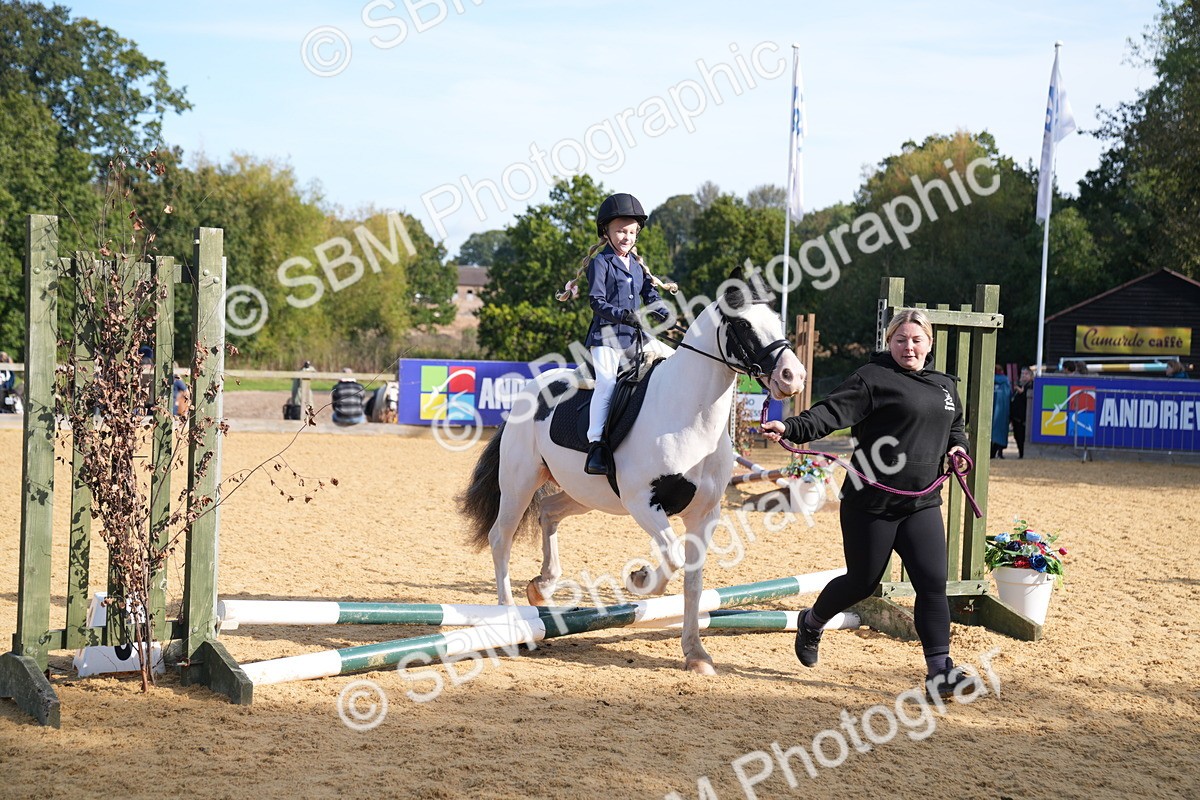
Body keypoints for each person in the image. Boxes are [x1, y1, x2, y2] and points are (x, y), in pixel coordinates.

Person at [761, 309, 980, 699]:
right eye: (900, 339)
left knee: (932, 585)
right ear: (889, 342)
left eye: (916, 340)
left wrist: (958, 447)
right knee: (863, 581)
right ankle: (812, 622)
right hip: (870, 502)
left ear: (929, 344)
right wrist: (790, 427)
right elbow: (831, 413)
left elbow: (955, 427)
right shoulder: (872, 378)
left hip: (922, 502)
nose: (908, 347)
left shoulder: (944, 385)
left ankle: (938, 672)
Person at [556, 192, 674, 476]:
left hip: (635, 339)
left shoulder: (637, 265)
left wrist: (661, 310)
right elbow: (596, 301)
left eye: (632, 231)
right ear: (606, 232)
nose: (627, 237)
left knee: (671, 363)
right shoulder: (601, 263)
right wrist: (624, 315)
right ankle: (596, 444)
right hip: (606, 338)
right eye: (621, 231)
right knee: (607, 383)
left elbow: (650, 294)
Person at [1009, 367, 1033, 458]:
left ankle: (1023, 454)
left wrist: (1023, 393)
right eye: (1022, 373)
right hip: (1016, 417)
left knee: (1022, 436)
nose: (1023, 375)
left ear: (1031, 376)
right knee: (1017, 436)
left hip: (1024, 417)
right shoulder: (1019, 385)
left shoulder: (1031, 385)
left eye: (1026, 374)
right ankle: (1020, 453)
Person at [991, 365, 1011, 459]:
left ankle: (991, 453)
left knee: (992, 432)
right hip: (1003, 411)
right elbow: (1009, 394)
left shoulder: (990, 380)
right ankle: (1000, 453)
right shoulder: (1006, 381)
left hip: (992, 410)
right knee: (1002, 432)